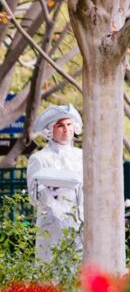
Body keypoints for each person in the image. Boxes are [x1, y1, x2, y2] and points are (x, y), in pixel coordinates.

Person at [26, 104, 84, 261]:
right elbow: (34, 196)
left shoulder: (83, 156)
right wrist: (54, 197)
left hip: (81, 223)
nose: (66, 129)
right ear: (50, 130)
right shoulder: (39, 158)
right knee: (53, 269)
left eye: (69, 124)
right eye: (60, 125)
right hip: (52, 226)